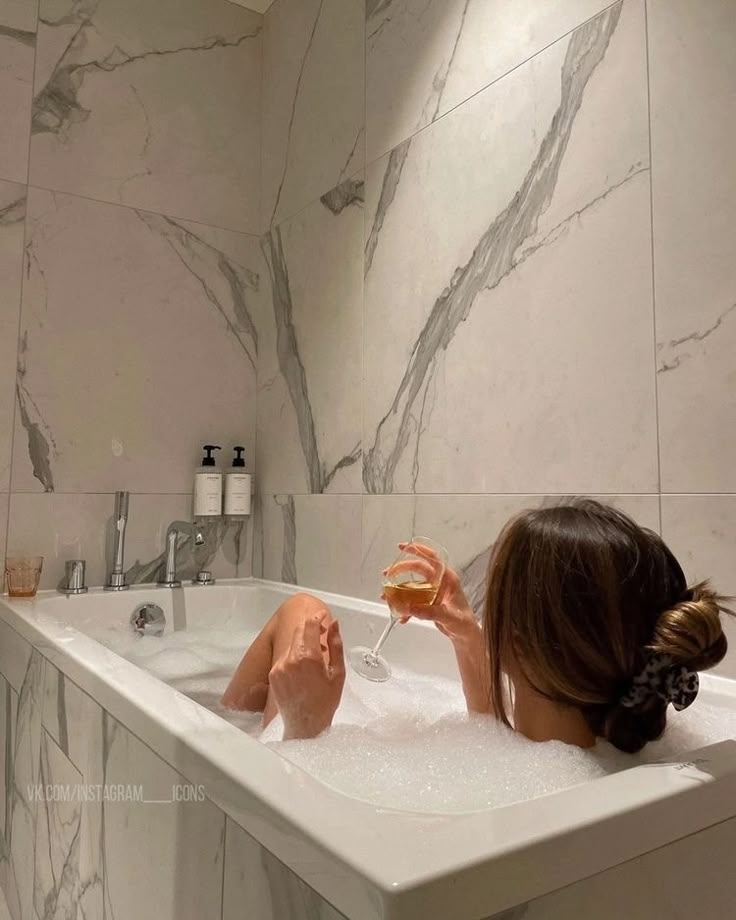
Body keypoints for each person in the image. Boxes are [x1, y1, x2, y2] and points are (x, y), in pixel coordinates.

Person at [222, 499, 731, 752]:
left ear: (521, 645)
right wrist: (467, 634)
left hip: (305, 763)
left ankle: (223, 729)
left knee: (303, 609)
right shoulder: (592, 746)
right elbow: (502, 740)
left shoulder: (510, 798)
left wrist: (307, 730)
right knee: (302, 609)